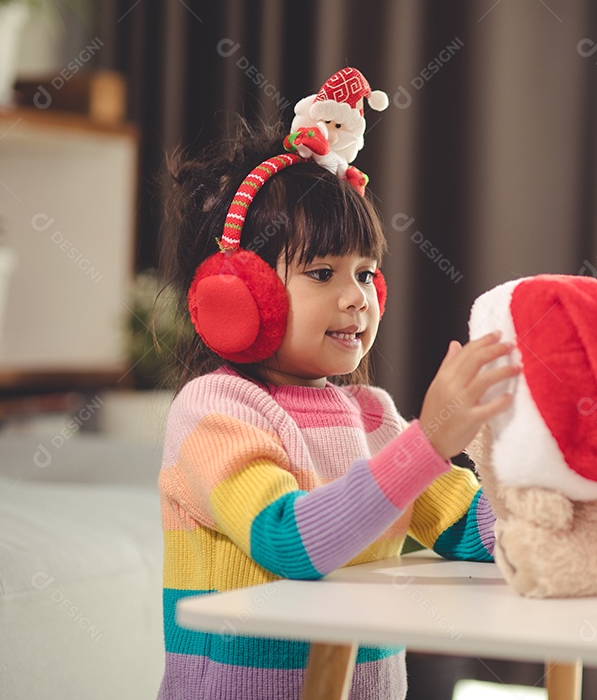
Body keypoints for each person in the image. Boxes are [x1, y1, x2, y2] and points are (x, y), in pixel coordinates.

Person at [156, 120, 518, 700]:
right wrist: (428, 442)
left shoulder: (372, 415)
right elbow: (288, 542)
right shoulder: (214, 411)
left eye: (367, 273)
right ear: (241, 296)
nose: (357, 297)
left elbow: (466, 527)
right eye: (322, 273)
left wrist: (560, 508)